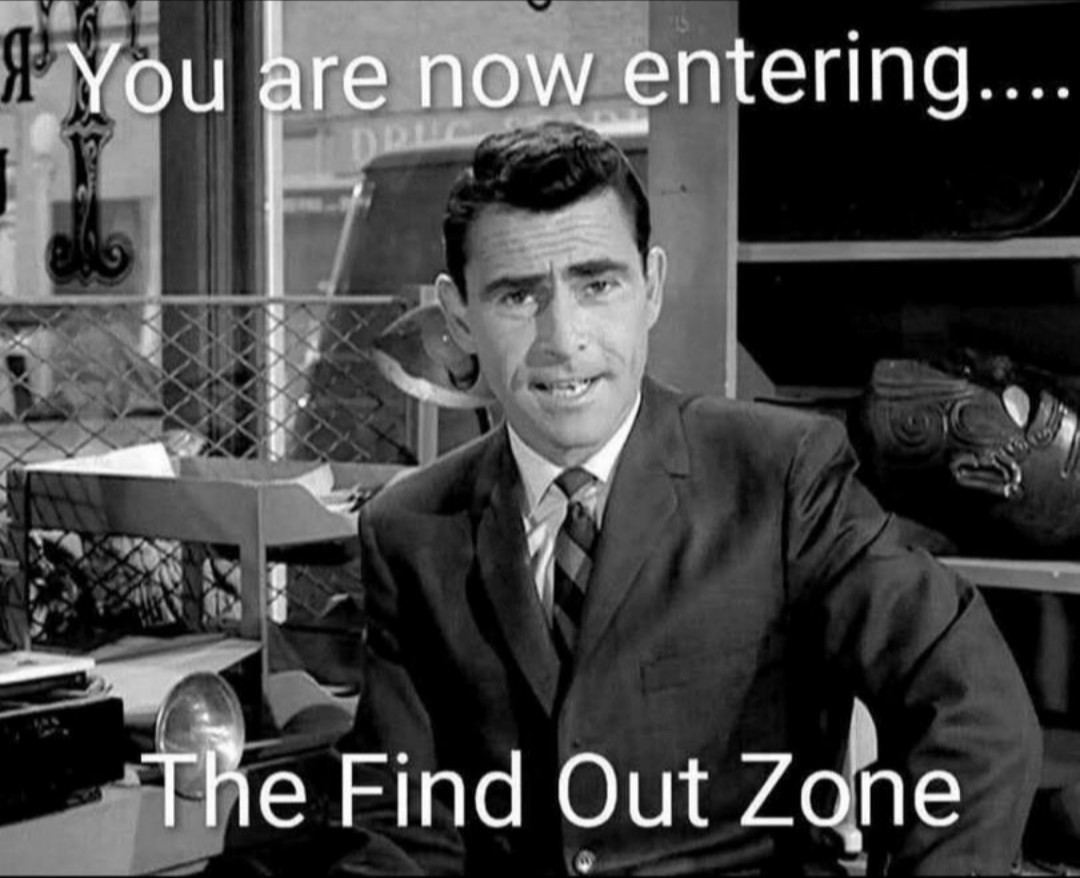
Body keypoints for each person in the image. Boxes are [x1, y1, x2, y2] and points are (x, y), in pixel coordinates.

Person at [332, 121, 1041, 875]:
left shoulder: (779, 475)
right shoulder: (410, 531)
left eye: (597, 285)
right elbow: (398, 828)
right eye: (517, 295)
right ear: (458, 316)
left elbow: (977, 716)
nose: (563, 338)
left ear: (652, 288)